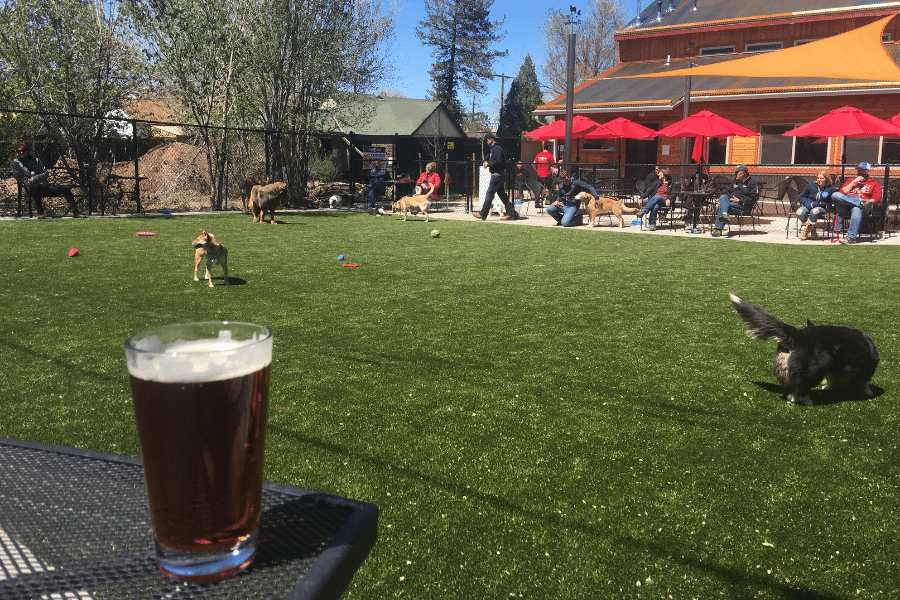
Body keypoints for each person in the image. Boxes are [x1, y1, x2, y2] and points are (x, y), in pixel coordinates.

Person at [10, 142, 84, 218]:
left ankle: (76, 213)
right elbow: (18, 176)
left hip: (45, 186)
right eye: (19, 151)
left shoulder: (36, 160)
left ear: (27, 151)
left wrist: (36, 178)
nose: (22, 152)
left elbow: (45, 173)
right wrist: (34, 181)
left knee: (66, 189)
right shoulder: (15, 163)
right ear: (17, 152)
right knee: (36, 187)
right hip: (31, 187)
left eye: (23, 150)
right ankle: (40, 213)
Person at [831, 162, 883, 244]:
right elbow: (842, 192)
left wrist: (867, 202)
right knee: (835, 194)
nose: (860, 172)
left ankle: (850, 237)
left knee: (856, 208)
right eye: (858, 170)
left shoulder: (875, 184)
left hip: (864, 207)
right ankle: (860, 202)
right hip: (846, 206)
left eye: (862, 170)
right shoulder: (850, 180)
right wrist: (854, 182)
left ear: (869, 171)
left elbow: (877, 199)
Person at [473, 133, 516, 221]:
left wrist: (488, 164)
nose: (485, 143)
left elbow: (499, 161)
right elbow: (498, 160)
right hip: (499, 174)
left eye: (486, 141)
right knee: (502, 195)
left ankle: (483, 213)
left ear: (491, 140)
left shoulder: (497, 148)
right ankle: (511, 212)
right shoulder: (495, 148)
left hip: (497, 175)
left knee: (489, 194)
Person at [711, 165, 760, 237]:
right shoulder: (735, 182)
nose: (735, 174)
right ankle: (724, 215)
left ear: (742, 173)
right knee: (723, 197)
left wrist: (739, 200)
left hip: (744, 206)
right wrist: (730, 198)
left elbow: (753, 198)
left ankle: (718, 229)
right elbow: (726, 192)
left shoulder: (752, 184)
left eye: (736, 172)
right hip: (731, 203)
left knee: (723, 206)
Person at [795, 170, 836, 240]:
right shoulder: (811, 185)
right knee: (799, 212)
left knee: (815, 211)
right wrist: (807, 203)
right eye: (818, 178)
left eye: (822, 178)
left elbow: (830, 202)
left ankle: (805, 233)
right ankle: (812, 228)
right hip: (808, 205)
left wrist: (817, 204)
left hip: (821, 208)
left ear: (826, 179)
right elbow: (802, 196)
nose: (819, 180)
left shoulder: (831, 189)